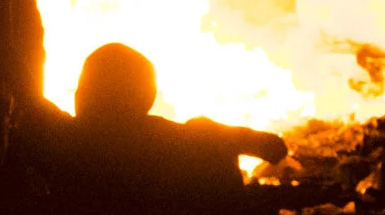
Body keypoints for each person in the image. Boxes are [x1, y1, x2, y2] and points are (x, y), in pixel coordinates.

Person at [39, 41, 287, 203]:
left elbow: (30, 101)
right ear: (148, 97)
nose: (78, 94)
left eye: (84, 87)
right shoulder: (187, 140)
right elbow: (273, 147)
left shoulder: (62, 141)